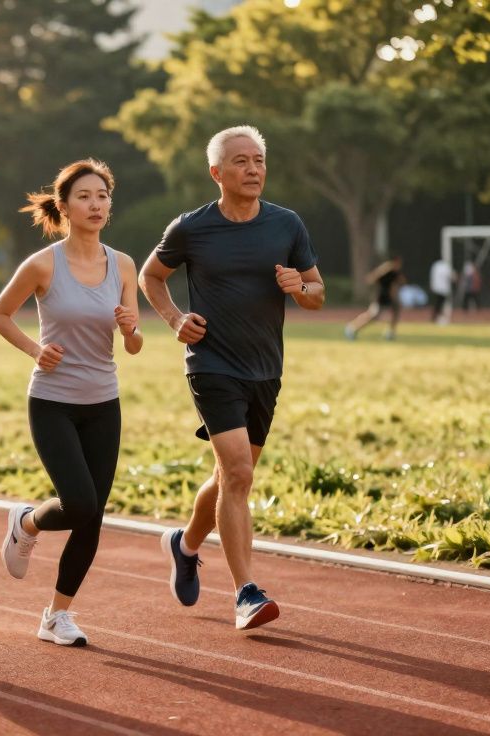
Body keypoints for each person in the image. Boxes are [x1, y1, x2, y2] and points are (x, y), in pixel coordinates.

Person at [139, 125, 323, 631]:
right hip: (211, 364)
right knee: (240, 474)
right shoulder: (191, 227)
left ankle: (185, 544)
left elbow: (317, 291)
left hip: (266, 368)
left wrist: (299, 286)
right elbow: (151, 276)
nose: (253, 169)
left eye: (259, 160)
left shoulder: (287, 225)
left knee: (229, 477)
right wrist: (176, 318)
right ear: (217, 173)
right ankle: (246, 593)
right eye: (241, 162)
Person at [0, 159, 142, 647]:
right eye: (84, 196)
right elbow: (0, 314)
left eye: (102, 195)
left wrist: (128, 329)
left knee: (92, 515)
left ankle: (56, 616)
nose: (95, 204)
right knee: (79, 503)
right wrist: (37, 350)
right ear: (64, 206)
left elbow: (135, 343)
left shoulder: (122, 264)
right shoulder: (42, 265)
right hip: (53, 401)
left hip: (104, 402)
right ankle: (28, 521)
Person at [345, 255, 404, 340]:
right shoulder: (387, 269)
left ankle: (391, 333)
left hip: (389, 298)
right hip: (381, 297)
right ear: (396, 261)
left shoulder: (394, 272)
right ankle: (352, 328)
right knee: (373, 315)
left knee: (396, 309)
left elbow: (400, 281)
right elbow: (371, 279)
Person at [429, 257, 455, 324]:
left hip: (436, 288)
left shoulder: (435, 265)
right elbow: (451, 276)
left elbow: (432, 276)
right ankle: (441, 316)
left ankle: (436, 316)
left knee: (438, 303)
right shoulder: (446, 267)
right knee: (443, 303)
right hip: (444, 289)